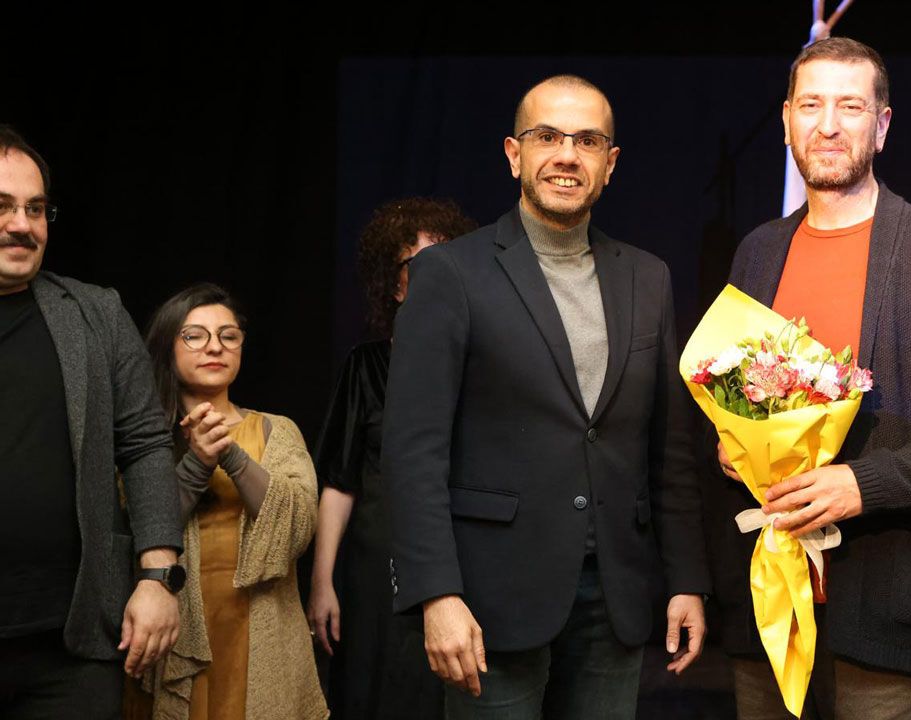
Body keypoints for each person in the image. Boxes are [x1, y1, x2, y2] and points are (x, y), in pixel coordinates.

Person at [382, 74, 710, 720]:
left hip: (614, 598)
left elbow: (668, 450)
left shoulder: (649, 278)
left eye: (587, 141)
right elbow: (413, 452)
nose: (567, 155)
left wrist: (687, 580)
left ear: (610, 164)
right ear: (514, 154)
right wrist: (435, 594)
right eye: (548, 137)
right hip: (488, 600)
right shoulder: (449, 274)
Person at [706, 38, 911, 719]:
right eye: (810, 105)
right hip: (769, 613)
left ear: (881, 125)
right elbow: (728, 390)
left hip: (887, 617)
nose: (828, 125)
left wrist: (862, 485)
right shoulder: (758, 252)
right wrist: (733, 446)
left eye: (850, 107)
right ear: (786, 119)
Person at [0, 126, 184, 718]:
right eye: (2, 206)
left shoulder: (96, 313)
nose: (22, 225)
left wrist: (159, 577)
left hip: (72, 649)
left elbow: (147, 443)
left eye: (35, 208)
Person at [308, 197, 477, 719]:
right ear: (395, 284)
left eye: (444, 263)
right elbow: (339, 480)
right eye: (416, 264)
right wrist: (321, 582)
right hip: (375, 567)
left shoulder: (484, 367)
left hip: (462, 559)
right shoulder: (366, 365)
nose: (432, 275)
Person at [139, 283, 326, 719]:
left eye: (229, 335)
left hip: (261, 627)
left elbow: (298, 526)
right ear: (168, 346)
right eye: (195, 336)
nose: (215, 347)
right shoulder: (144, 437)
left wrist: (230, 454)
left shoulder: (276, 430)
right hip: (173, 628)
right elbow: (136, 525)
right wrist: (196, 464)